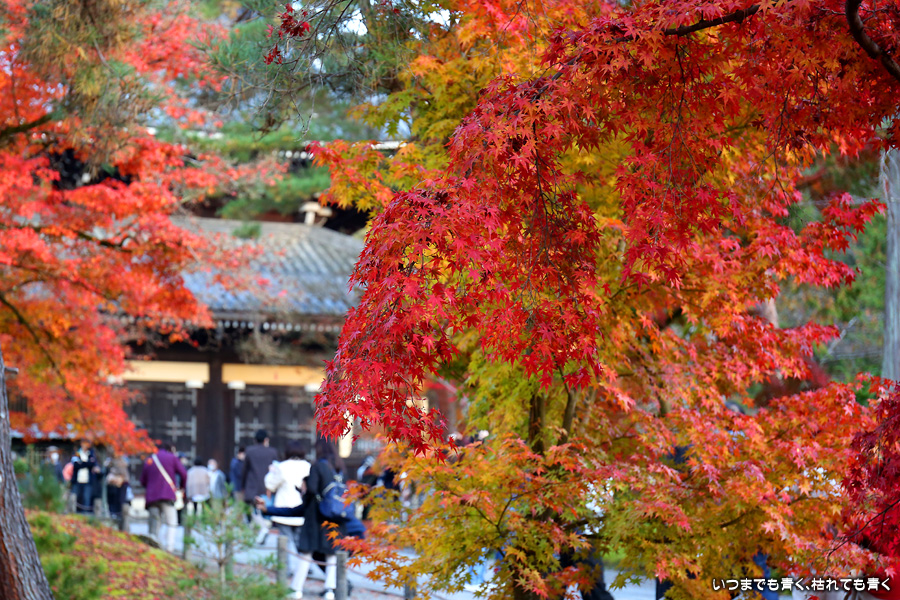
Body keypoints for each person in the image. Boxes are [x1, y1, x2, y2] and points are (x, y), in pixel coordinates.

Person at [258, 439, 342, 600]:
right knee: (330, 553)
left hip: (312, 516)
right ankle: (330, 590)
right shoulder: (338, 468)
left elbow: (312, 489)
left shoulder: (316, 466)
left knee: (304, 551)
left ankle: (296, 587)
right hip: (333, 515)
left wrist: (303, 491)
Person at [266, 440, 311, 583]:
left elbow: (271, 485)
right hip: (301, 510)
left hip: (283, 510)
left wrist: (270, 473)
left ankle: (285, 570)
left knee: (284, 543)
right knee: (300, 543)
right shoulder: (308, 466)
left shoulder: (282, 467)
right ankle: (305, 567)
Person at [140, 441, 187, 553]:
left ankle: (153, 545)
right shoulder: (172, 458)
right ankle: (169, 547)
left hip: (152, 496)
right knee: (172, 521)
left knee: (154, 521)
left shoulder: (150, 459)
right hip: (167, 495)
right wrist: (181, 487)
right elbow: (184, 474)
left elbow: (142, 480)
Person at [243, 430, 278, 545]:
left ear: (255, 440)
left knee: (254, 511)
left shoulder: (249, 451)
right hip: (268, 487)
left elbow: (245, 470)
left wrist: (243, 486)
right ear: (266, 440)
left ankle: (262, 529)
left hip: (253, 486)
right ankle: (263, 530)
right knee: (264, 510)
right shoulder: (272, 452)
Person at [71, 439, 98, 514]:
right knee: (76, 497)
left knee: (86, 498)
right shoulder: (76, 453)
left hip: (87, 481)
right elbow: (76, 465)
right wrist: (87, 464)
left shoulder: (91, 453)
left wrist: (82, 463)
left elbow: (92, 463)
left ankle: (85, 514)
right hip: (77, 480)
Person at [106, 455, 131, 524]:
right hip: (113, 488)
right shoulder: (110, 462)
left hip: (121, 487)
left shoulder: (122, 462)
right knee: (113, 503)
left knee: (120, 504)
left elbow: (125, 477)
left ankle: (120, 519)